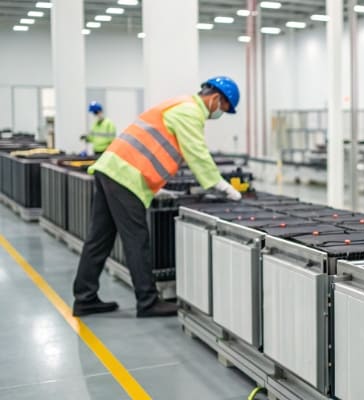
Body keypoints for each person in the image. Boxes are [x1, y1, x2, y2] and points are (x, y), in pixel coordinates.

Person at [72, 76, 244, 317]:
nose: (221, 113)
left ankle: (85, 298)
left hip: (111, 169)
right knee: (137, 240)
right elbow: (197, 153)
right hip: (125, 176)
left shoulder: (179, 104)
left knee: (99, 238)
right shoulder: (190, 111)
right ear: (216, 98)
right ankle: (148, 301)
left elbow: (156, 149)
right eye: (223, 108)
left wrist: (154, 187)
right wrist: (220, 184)